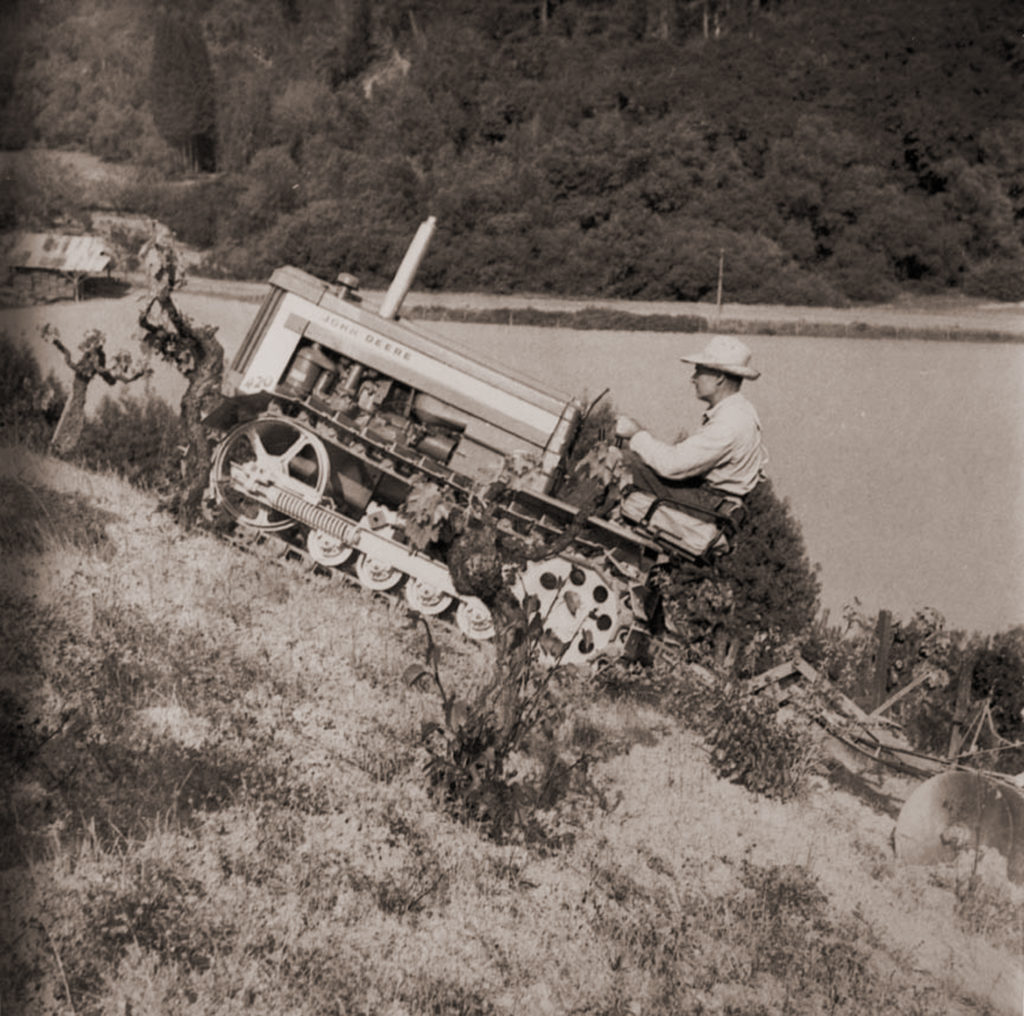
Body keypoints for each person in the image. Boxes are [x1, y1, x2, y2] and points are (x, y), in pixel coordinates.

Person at [614, 334, 768, 558]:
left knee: (619, 461)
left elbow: (672, 466)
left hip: (707, 507)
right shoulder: (739, 412)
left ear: (718, 377)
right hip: (712, 502)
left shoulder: (729, 423)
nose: (693, 378)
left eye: (699, 370)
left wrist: (636, 435)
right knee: (632, 461)